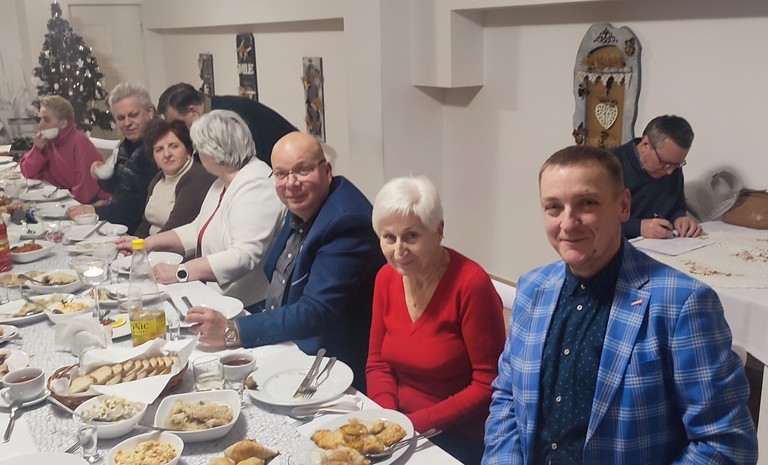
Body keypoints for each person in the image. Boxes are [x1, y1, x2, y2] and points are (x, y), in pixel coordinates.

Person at [482, 145, 757, 465]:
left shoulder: (682, 304)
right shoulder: (532, 289)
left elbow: (726, 445)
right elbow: (508, 398)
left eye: (587, 203)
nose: (568, 223)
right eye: (554, 207)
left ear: (624, 206)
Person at [186, 131, 384, 391]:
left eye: (303, 170)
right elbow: (281, 280)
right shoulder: (305, 204)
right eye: (281, 174)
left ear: (327, 171)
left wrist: (232, 331)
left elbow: (315, 312)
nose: (291, 183)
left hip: (326, 364)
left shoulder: (345, 222)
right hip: (290, 344)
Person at [366, 176, 505, 464]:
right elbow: (378, 363)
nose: (399, 250)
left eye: (411, 236)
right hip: (399, 423)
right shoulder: (385, 278)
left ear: (438, 231)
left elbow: (488, 383)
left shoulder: (471, 285)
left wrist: (411, 425)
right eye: (389, 237)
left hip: (459, 436)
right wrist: (388, 420)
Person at [115, 110, 285, 307]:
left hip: (249, 305)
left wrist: (181, 272)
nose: (196, 155)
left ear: (211, 151)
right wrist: (146, 244)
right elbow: (197, 228)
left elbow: (244, 256)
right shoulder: (223, 181)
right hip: (218, 297)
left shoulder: (256, 186)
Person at [66, 83, 159, 234]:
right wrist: (102, 175)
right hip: (118, 219)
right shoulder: (127, 144)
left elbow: (140, 206)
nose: (127, 123)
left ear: (150, 112)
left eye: (133, 115)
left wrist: (96, 210)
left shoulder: (157, 148)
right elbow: (119, 187)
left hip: (137, 231)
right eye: (120, 118)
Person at [157, 82, 297, 167]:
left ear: (193, 111)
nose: (178, 129)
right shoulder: (219, 105)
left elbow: (233, 160)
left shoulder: (224, 117)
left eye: (178, 123)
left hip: (288, 164)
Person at [611, 114, 702, 239]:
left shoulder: (672, 167)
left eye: (678, 164)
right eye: (665, 163)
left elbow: (677, 207)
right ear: (645, 144)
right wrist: (638, 227)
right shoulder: (606, 166)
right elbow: (594, 221)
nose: (670, 172)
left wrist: (680, 219)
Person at [19, 95, 110, 204]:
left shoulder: (80, 144)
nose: (40, 125)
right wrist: (36, 150)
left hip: (91, 203)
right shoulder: (47, 141)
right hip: (58, 198)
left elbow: (84, 193)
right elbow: (28, 173)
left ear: (63, 124)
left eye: (46, 120)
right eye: (40, 119)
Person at [133, 119, 215, 238]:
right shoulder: (158, 178)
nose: (167, 154)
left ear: (188, 151)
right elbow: (146, 223)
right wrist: (132, 242)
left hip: (176, 247)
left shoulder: (197, 178)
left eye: (174, 146)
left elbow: (174, 229)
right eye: (159, 149)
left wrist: (142, 245)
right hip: (153, 245)